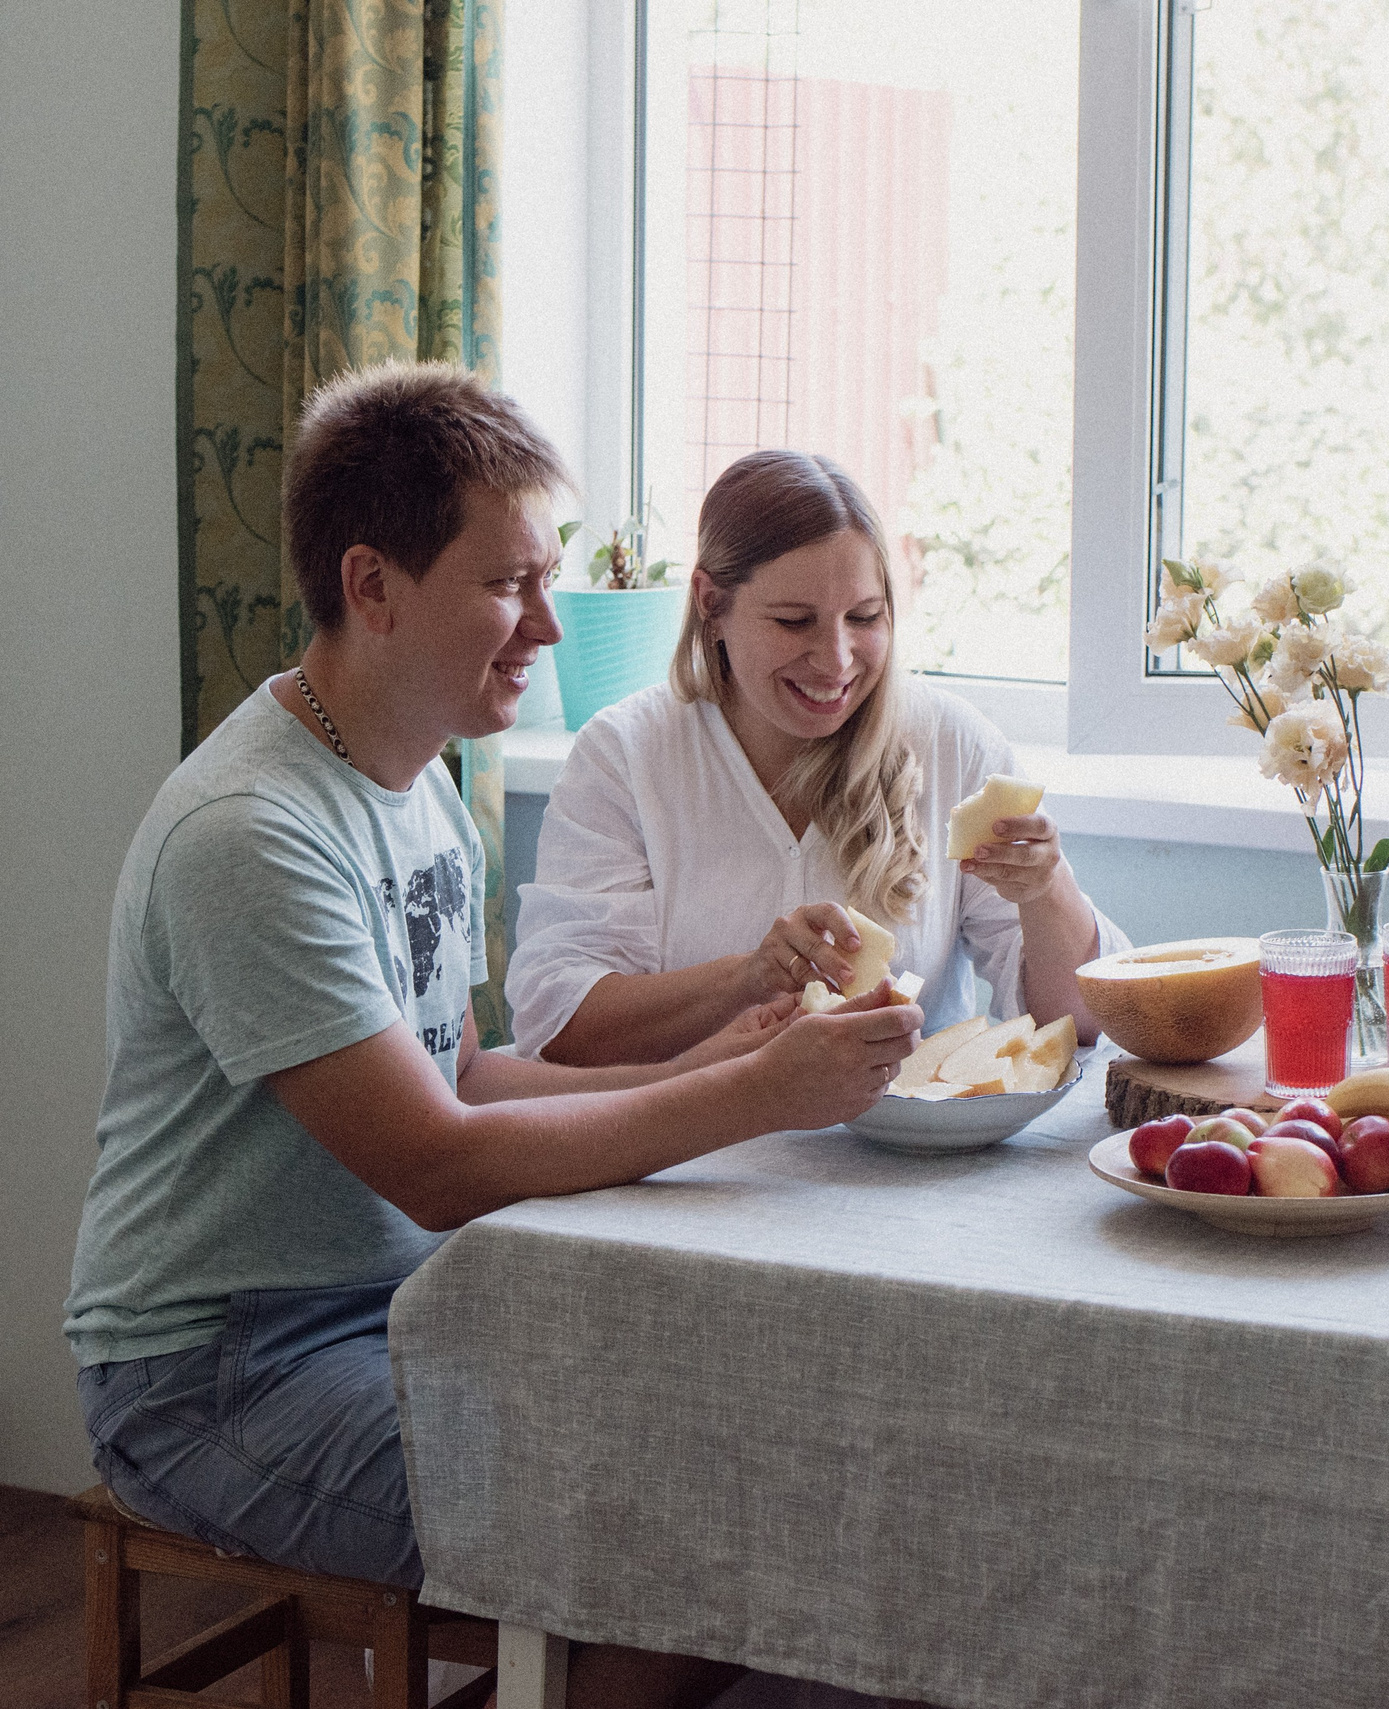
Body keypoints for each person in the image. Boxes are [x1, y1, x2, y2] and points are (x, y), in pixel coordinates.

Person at [64, 364, 920, 1709]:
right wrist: (758, 1092)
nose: (548, 625)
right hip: (217, 1373)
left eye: (547, 579)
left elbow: (465, 1074)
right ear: (373, 586)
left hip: (401, 1310)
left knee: (765, 1446)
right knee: (719, 1530)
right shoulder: (251, 835)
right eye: (510, 584)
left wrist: (716, 1058)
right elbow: (441, 1163)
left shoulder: (420, 790)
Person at [506, 448, 1127, 1069]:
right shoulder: (624, 757)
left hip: (910, 1132)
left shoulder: (954, 746)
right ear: (710, 603)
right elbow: (559, 1024)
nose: (836, 659)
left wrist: (1046, 887)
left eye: (864, 617)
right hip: (695, 1130)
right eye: (795, 621)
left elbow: (1079, 1021)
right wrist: (747, 978)